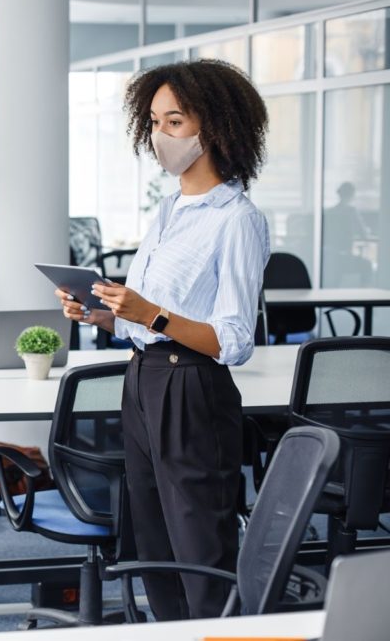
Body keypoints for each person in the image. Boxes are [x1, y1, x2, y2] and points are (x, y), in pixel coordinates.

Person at [56, 59, 270, 621]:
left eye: (174, 122)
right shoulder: (170, 209)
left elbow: (235, 338)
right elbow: (144, 321)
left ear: (216, 127)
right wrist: (105, 315)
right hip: (144, 378)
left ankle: (216, 632)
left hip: (192, 387)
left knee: (200, 540)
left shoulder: (236, 218)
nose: (160, 135)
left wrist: (151, 313)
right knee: (151, 539)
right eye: (153, 121)